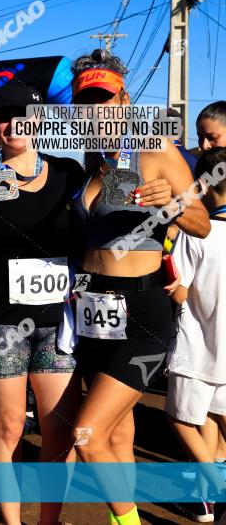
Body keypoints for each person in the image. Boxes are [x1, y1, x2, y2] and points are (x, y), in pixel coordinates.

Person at [68, 49, 210, 525]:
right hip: (93, 311)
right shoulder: (93, 157)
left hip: (142, 315)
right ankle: (117, 518)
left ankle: (129, 521)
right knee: (115, 434)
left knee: (86, 434)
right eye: (86, 102)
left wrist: (170, 203)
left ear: (125, 99)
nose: (96, 111)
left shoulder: (154, 149)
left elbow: (202, 223)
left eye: (104, 99)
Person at [0, 80, 84, 525]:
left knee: (58, 431)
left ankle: (49, 519)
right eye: (3, 117)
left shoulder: (69, 175)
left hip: (58, 321)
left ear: (40, 120)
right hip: (2, 321)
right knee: (7, 427)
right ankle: (11, 522)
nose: (13, 124)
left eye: (22, 115)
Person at [166, 147, 226, 521]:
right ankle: (209, 496)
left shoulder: (197, 232)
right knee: (216, 420)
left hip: (198, 343)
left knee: (181, 419)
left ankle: (215, 490)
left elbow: (182, 289)